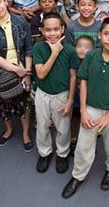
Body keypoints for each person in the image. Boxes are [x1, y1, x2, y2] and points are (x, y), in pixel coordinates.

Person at [62, 18, 109, 199]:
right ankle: (78, 176)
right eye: (107, 34)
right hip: (91, 108)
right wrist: (84, 110)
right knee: (84, 144)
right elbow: (83, 81)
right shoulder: (91, 56)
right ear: (100, 36)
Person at [0, 0, 35, 151]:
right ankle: (9, 129)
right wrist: (15, 70)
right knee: (4, 104)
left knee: (24, 104)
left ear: (6, 1)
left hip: (22, 68)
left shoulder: (20, 21)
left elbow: (28, 49)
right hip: (0, 72)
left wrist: (26, 73)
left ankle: (25, 133)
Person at [33, 13, 80, 174]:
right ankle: (44, 153)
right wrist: (54, 52)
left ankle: (62, 154)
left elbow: (73, 76)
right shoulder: (38, 48)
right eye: (48, 30)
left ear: (62, 29)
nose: (52, 33)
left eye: (55, 29)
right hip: (42, 94)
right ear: (42, 31)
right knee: (42, 126)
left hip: (62, 95)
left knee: (63, 128)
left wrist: (70, 100)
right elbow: (40, 74)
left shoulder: (70, 51)